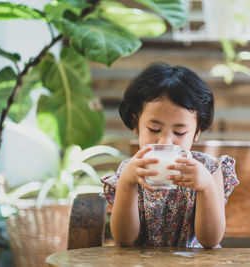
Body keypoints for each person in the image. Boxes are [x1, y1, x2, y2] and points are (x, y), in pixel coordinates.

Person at [101, 62, 239, 248]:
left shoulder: (209, 169)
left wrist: (206, 187)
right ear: (136, 124)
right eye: (154, 129)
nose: (165, 141)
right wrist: (126, 183)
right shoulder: (131, 170)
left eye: (180, 132)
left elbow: (210, 240)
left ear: (197, 131)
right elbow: (124, 239)